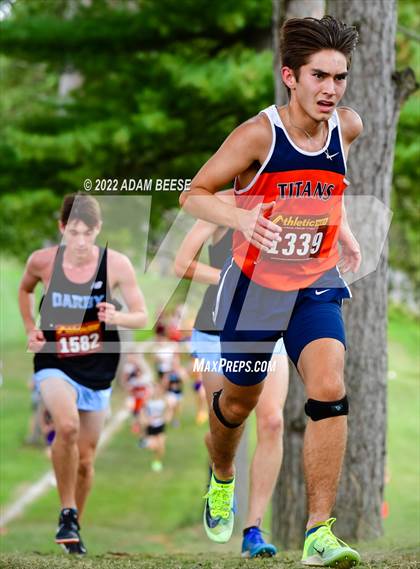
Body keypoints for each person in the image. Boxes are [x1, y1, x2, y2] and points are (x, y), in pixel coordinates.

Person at [180, 16, 363, 567]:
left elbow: (331, 189)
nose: (331, 89)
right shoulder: (259, 135)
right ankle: (222, 474)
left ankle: (318, 532)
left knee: (329, 386)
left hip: (315, 280)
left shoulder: (347, 128)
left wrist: (345, 232)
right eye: (319, 77)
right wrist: (240, 217)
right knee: (238, 403)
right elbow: (194, 194)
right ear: (290, 76)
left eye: (340, 77)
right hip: (255, 287)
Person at [18, 193, 147, 555]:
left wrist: (117, 317)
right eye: (72, 232)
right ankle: (66, 508)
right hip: (54, 360)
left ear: (98, 231)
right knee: (68, 425)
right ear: (62, 228)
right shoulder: (43, 261)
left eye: (86, 233)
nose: (79, 241)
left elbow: (141, 314)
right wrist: (31, 326)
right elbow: (25, 289)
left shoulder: (116, 265)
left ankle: (72, 527)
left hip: (97, 368)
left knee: (87, 461)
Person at [175, 191, 289, 558]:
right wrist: (234, 278)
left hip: (269, 327)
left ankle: (253, 530)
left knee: (271, 421)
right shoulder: (221, 204)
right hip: (215, 331)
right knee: (225, 425)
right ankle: (222, 475)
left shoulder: (288, 198)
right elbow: (181, 263)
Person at [138, 378, 172, 472]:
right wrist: (145, 419)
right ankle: (144, 441)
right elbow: (142, 411)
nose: (155, 390)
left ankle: (157, 462)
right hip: (150, 426)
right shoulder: (147, 400)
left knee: (161, 445)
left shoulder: (164, 399)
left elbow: (169, 410)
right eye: (153, 388)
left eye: (157, 388)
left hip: (160, 425)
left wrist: (166, 417)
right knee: (153, 446)